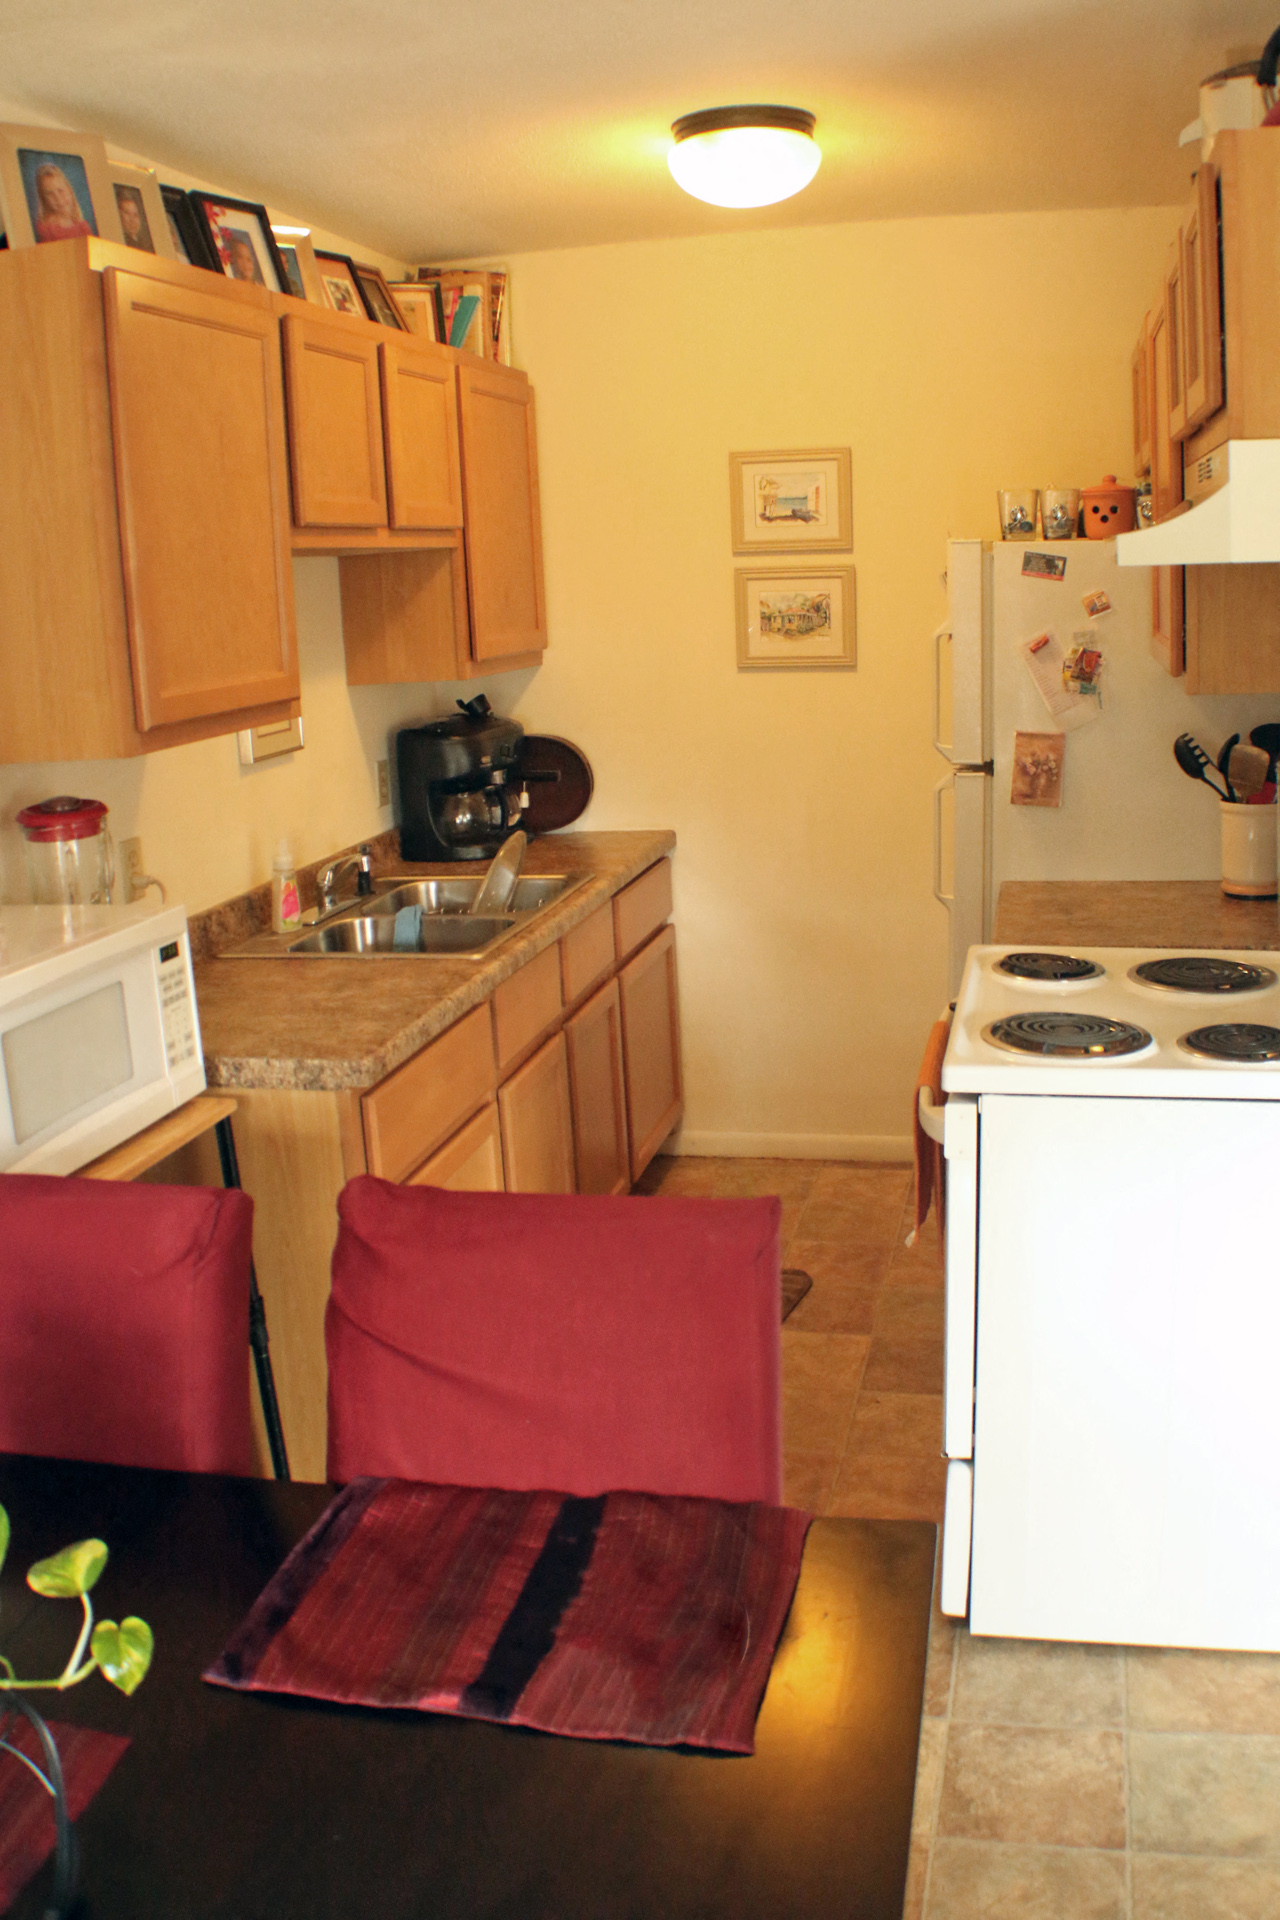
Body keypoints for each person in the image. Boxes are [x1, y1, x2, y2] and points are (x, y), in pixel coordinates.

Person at [32, 162, 94, 242]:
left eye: (60, 190)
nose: (57, 198)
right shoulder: (48, 230)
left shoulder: (83, 227)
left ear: (69, 190)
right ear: (44, 199)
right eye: (49, 194)